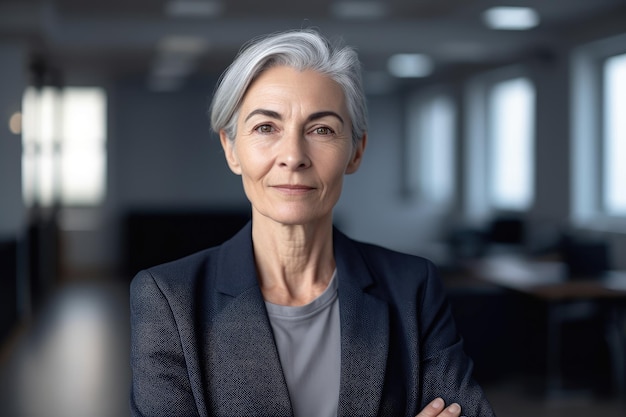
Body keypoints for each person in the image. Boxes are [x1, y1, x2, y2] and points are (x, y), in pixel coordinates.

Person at [130, 28, 496, 417]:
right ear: (231, 149)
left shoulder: (413, 287)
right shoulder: (168, 298)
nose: (293, 156)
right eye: (266, 128)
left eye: (321, 129)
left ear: (356, 152)